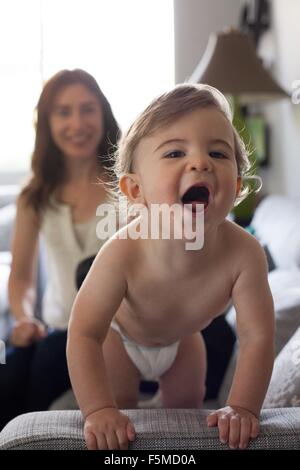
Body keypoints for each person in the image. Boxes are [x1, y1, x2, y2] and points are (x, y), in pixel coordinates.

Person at [67, 84, 275, 450]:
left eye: (218, 153)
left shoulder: (245, 254)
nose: (200, 162)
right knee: (119, 421)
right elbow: (84, 333)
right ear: (135, 191)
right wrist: (98, 410)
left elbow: (257, 337)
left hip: (182, 342)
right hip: (120, 338)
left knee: (185, 419)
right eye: (175, 152)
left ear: (237, 185)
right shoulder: (123, 252)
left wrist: (243, 407)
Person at [0, 69, 120, 430]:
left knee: (48, 360)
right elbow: (21, 277)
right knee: (11, 364)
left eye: (87, 109)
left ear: (102, 113)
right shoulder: (34, 194)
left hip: (119, 329)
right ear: (48, 122)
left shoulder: (129, 184)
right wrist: (23, 318)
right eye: (63, 112)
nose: (77, 123)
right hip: (56, 327)